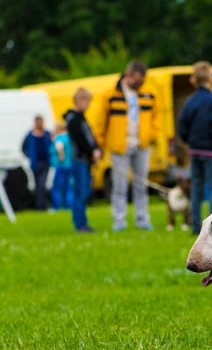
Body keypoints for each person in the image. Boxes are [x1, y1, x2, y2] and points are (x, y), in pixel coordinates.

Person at [96, 60, 160, 232]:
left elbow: (156, 118)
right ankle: (119, 221)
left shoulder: (150, 94)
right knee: (119, 185)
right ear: (128, 75)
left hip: (141, 145)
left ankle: (142, 219)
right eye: (136, 81)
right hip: (119, 147)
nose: (139, 85)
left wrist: (150, 136)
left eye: (142, 82)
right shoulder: (109, 95)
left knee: (141, 184)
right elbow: (101, 123)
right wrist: (99, 146)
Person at [178, 61, 212, 235]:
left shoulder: (190, 101)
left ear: (194, 80)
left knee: (197, 188)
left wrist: (190, 141)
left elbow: (182, 126)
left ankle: (195, 226)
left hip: (195, 150)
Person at [64, 88, 102, 233]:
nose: (88, 105)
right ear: (79, 100)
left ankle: (82, 222)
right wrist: (92, 152)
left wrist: (97, 149)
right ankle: (80, 224)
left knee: (84, 191)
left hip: (85, 160)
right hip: (79, 160)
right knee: (80, 191)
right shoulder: (73, 119)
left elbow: (90, 137)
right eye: (87, 102)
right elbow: (80, 140)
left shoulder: (81, 118)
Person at [21, 115, 52, 211]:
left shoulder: (47, 133)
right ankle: (40, 205)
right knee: (38, 185)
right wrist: (29, 155)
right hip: (35, 163)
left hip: (45, 162)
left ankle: (41, 205)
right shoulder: (30, 135)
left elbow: (51, 145)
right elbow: (23, 148)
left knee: (42, 184)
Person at [49, 122, 73, 211]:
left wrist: (61, 157)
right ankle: (69, 205)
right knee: (69, 187)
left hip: (60, 165)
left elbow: (60, 148)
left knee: (57, 187)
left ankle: (57, 206)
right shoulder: (69, 137)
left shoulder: (59, 138)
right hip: (70, 165)